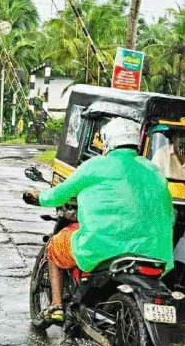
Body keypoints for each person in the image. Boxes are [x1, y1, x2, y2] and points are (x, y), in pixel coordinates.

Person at [23, 117, 174, 322]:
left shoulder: (94, 166)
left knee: (55, 246)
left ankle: (56, 306)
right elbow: (169, 214)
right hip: (154, 252)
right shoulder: (154, 170)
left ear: (107, 141)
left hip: (104, 249)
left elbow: (58, 195)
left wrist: (37, 197)